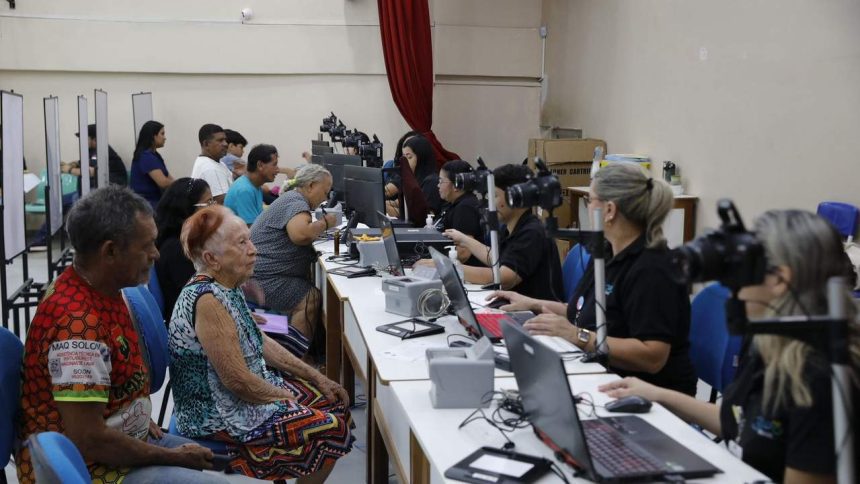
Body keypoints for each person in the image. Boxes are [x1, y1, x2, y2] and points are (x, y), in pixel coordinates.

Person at [599, 209, 860, 483]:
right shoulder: (768, 342)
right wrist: (657, 395)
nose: (733, 286)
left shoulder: (819, 380)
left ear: (780, 280)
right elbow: (737, 421)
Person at [16, 186, 224, 484]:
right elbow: (90, 440)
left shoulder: (100, 287)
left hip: (115, 438)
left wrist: (136, 415)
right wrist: (172, 457)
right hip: (92, 465)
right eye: (147, 245)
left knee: (201, 459)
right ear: (110, 251)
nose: (156, 253)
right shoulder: (78, 330)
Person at [170, 205, 353, 483]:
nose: (254, 249)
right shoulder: (208, 299)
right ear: (211, 258)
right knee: (333, 429)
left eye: (249, 239)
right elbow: (237, 381)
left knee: (333, 402)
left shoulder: (226, 284)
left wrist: (317, 378)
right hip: (218, 413)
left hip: (242, 397)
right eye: (242, 243)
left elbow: (259, 341)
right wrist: (287, 401)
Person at [490, 162, 696, 394]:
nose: (588, 207)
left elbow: (652, 356)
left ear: (609, 210)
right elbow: (587, 310)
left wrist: (576, 335)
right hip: (602, 373)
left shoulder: (653, 269)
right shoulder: (608, 251)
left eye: (590, 200)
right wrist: (534, 303)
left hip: (646, 397)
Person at [439, 163, 563, 301]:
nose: (491, 203)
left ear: (515, 197)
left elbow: (502, 278)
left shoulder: (532, 233)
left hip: (533, 316)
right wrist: (464, 240)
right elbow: (496, 258)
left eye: (495, 196)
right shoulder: (510, 228)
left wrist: (447, 268)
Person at [250, 164, 337, 359]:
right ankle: (293, 362)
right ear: (311, 186)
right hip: (263, 277)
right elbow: (300, 235)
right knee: (310, 299)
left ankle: (305, 355)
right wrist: (326, 223)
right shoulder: (296, 202)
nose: (326, 198)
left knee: (309, 287)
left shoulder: (292, 199)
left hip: (261, 273)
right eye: (325, 192)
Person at [155, 177, 215, 320]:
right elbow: (198, 301)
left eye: (213, 202)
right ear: (186, 209)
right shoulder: (176, 249)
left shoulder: (190, 241)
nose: (214, 209)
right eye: (208, 203)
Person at [435, 159, 484, 265]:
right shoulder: (455, 203)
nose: (438, 185)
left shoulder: (465, 208)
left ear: (456, 185)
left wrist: (434, 262)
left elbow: (463, 253)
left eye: (441, 181)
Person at [225, 144, 280, 225]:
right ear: (260, 165)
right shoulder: (245, 190)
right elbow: (252, 231)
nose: (278, 170)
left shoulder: (255, 185)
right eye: (274, 164)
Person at [395, 134, 443, 225]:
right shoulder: (414, 179)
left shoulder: (432, 182)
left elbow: (426, 218)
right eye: (404, 158)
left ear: (422, 158)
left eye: (409, 157)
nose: (405, 163)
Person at [64, 123, 128, 188]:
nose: (82, 141)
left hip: (114, 191)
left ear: (95, 140)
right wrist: (70, 165)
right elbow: (81, 162)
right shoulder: (91, 150)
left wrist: (69, 170)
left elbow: (92, 172)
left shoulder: (103, 151)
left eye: (85, 138)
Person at [130, 120, 174, 208]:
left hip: (155, 201)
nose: (165, 138)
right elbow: (163, 182)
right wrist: (181, 185)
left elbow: (169, 178)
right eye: (162, 134)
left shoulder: (155, 155)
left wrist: (181, 185)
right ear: (153, 136)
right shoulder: (146, 157)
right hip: (146, 204)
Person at [191, 124, 231, 203]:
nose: (226, 144)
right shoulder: (210, 168)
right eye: (220, 140)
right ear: (206, 144)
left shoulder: (216, 163)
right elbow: (222, 203)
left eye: (225, 140)